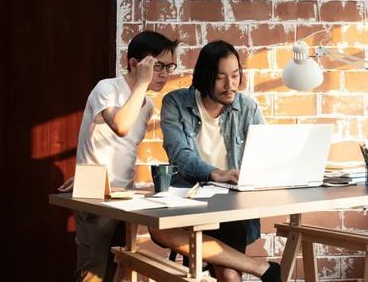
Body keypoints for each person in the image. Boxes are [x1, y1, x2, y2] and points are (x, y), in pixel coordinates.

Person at [58, 33, 280, 282]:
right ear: (135, 64)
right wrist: (88, 175)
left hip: (122, 193)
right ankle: (261, 269)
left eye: (170, 67)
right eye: (158, 66)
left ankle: (262, 269)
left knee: (119, 263)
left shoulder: (147, 104)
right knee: (94, 272)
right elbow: (120, 128)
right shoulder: (107, 88)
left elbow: (120, 151)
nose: (165, 74)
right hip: (97, 193)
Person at [159, 40, 278, 282]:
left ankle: (259, 269)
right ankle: (262, 268)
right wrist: (214, 173)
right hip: (190, 201)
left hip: (231, 206)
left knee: (228, 273)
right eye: (221, 77)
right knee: (158, 228)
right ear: (205, 77)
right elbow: (179, 154)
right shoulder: (175, 104)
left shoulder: (247, 108)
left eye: (235, 75)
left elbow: (264, 154)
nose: (230, 84)